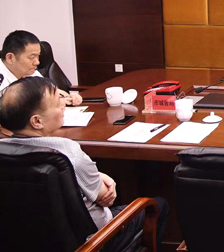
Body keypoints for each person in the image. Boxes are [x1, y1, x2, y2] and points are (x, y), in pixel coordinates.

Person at [0, 77, 169, 251]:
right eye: (57, 103)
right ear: (37, 122)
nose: (63, 105)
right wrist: (100, 177)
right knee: (157, 205)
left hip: (24, 240)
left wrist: (96, 175)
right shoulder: (68, 152)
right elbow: (105, 197)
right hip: (93, 241)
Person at [0, 30, 81, 105]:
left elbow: (55, 92)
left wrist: (71, 97)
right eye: (32, 57)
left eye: (38, 56)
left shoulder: (29, 72)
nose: (37, 62)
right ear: (10, 58)